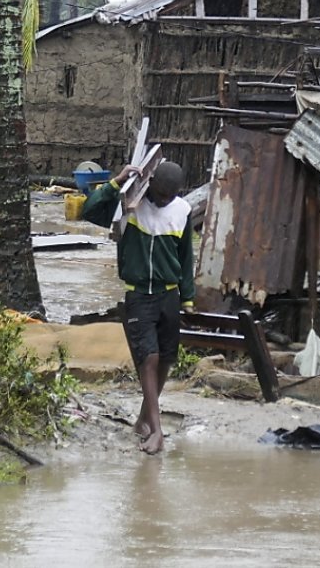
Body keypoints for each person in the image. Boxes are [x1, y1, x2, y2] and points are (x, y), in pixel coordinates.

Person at [81, 159, 195, 454]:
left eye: (170, 196)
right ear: (150, 183)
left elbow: (186, 258)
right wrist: (117, 181)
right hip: (139, 296)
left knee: (167, 359)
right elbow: (89, 210)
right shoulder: (129, 205)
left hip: (169, 295)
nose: (163, 200)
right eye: (160, 194)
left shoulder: (182, 211)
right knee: (149, 358)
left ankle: (144, 420)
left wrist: (188, 298)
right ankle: (157, 431)